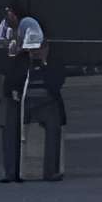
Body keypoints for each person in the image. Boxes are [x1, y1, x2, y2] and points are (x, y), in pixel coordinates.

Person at [0, 0, 45, 184]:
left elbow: (34, 46)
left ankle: (17, 170)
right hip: (14, 85)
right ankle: (12, 170)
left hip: (20, 85)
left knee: (17, 129)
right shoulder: (9, 30)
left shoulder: (26, 25)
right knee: (12, 130)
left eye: (9, 12)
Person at [22, 33, 69, 182]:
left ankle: (50, 171)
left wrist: (43, 64)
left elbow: (56, 84)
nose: (36, 52)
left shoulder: (54, 62)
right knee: (12, 126)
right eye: (33, 48)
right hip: (24, 103)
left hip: (47, 103)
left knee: (53, 126)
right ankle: (15, 168)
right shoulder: (21, 62)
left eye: (39, 48)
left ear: (46, 47)